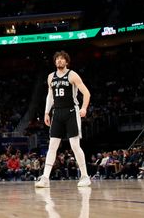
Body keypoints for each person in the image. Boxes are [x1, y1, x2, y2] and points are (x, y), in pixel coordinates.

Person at [35, 51, 92, 188]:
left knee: (74, 145)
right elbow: (50, 96)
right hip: (57, 113)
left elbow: (86, 93)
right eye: (57, 59)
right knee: (52, 146)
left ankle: (85, 176)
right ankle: (45, 178)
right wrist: (46, 112)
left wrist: (84, 108)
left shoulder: (72, 75)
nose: (59, 61)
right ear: (55, 62)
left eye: (62, 59)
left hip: (72, 111)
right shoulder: (50, 77)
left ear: (67, 62)